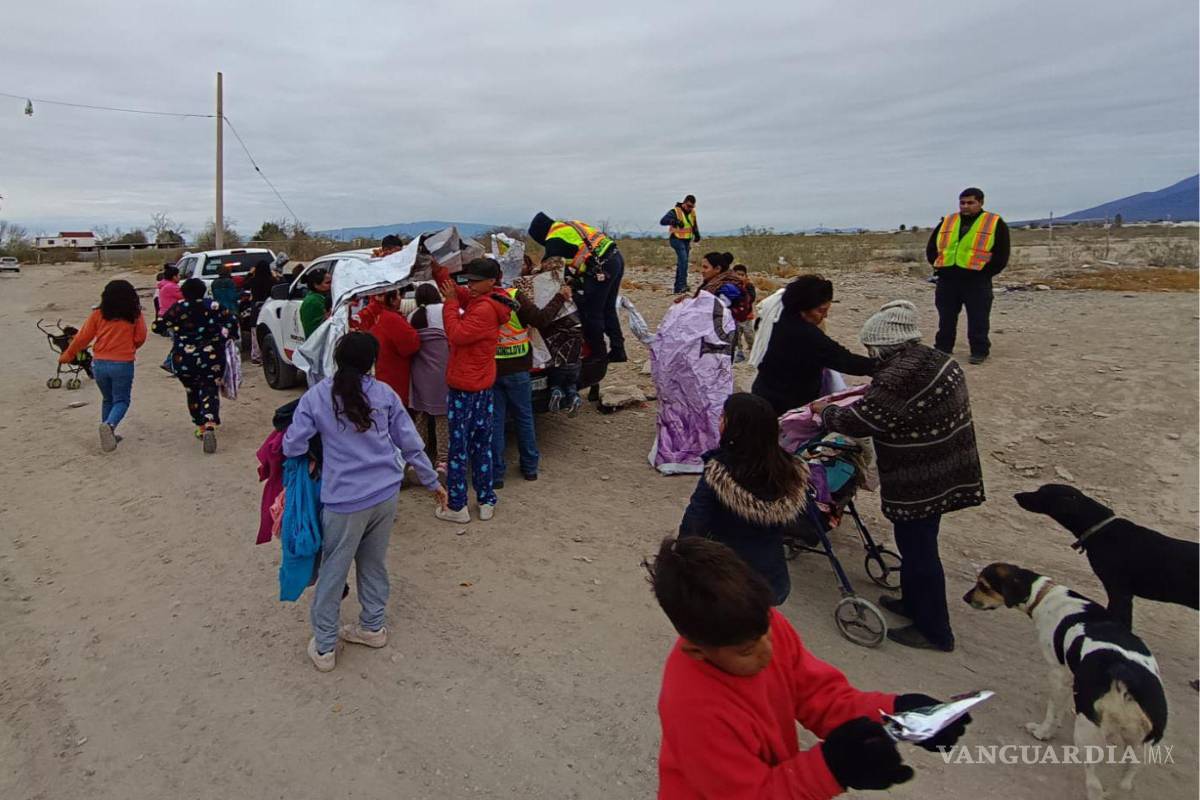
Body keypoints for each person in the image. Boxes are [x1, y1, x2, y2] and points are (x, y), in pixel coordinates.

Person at [646, 535, 971, 799]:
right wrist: (832, 769)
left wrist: (895, 713)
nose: (766, 653)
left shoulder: (759, 625)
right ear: (697, 650)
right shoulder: (694, 709)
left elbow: (819, 695)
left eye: (766, 633)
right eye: (746, 651)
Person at [815, 300, 985, 652]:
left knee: (919, 547)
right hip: (948, 462)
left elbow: (861, 421)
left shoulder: (900, 375)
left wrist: (825, 412)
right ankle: (913, 601)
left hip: (922, 473)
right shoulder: (932, 358)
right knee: (918, 540)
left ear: (883, 345)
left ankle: (934, 629)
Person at [282, 332, 448, 672]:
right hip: (386, 493)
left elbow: (292, 446)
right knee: (373, 563)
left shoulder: (316, 397)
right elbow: (411, 443)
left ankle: (325, 647)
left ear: (337, 359)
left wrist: (317, 450)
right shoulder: (384, 393)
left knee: (333, 570)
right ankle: (373, 627)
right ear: (372, 362)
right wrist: (433, 482)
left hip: (344, 501)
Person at [678, 393, 808, 604]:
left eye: (723, 417)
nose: (719, 421)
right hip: (772, 581)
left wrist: (681, 560)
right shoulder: (789, 470)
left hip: (728, 580)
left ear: (735, 429)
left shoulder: (720, 473)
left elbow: (694, 521)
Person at [435, 258, 516, 524]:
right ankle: (485, 499)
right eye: (467, 279)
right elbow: (457, 292)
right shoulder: (488, 301)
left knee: (459, 447)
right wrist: (438, 269)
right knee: (482, 444)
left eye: (474, 280)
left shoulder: (482, 310)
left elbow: (456, 334)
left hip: (464, 388)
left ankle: (457, 506)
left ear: (490, 281)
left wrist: (448, 304)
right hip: (482, 386)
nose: (468, 285)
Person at [751, 275, 876, 416]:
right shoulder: (804, 334)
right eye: (821, 310)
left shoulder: (775, 317)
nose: (825, 316)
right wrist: (885, 367)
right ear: (803, 308)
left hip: (763, 392)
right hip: (786, 405)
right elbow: (845, 360)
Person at [490, 271, 570, 486]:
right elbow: (541, 319)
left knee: (495, 422)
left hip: (492, 370)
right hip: (518, 369)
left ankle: (497, 474)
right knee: (524, 418)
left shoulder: (478, 300)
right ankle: (530, 468)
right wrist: (560, 297)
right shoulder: (514, 296)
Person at [58, 279, 148, 452]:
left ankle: (108, 433)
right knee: (121, 400)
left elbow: (82, 338)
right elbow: (140, 337)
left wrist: (68, 354)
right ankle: (109, 425)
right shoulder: (134, 315)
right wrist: (130, 347)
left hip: (99, 363)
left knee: (108, 399)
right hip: (122, 363)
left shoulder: (98, 314)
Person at [527, 212, 627, 366]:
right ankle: (618, 348)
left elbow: (549, 270)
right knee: (607, 307)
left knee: (591, 311)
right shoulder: (568, 226)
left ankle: (598, 355)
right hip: (615, 259)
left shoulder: (554, 239)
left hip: (600, 268)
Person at [926, 187, 1010, 365]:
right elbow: (933, 247)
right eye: (962, 202)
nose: (965, 206)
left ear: (980, 203)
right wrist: (937, 266)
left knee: (978, 318)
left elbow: (1002, 254)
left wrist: (986, 273)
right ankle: (943, 348)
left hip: (977, 280)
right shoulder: (948, 221)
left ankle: (979, 351)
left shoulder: (994, 222)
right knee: (946, 317)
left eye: (970, 202)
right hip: (948, 279)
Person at [162, 278, 238, 453]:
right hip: (211, 357)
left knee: (192, 391)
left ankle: (200, 426)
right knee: (210, 389)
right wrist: (224, 336)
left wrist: (178, 330)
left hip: (185, 358)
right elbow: (232, 322)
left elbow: (159, 326)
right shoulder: (213, 305)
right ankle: (210, 423)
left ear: (184, 292)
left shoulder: (178, 307)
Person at [515, 258, 584, 416]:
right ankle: (572, 395)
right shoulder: (565, 283)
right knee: (572, 363)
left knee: (557, 363)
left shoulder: (527, 284)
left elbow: (539, 317)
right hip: (574, 325)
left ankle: (556, 390)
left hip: (553, 327)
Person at [408, 284, 451, 478]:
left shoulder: (412, 316)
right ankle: (443, 462)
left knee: (421, 418)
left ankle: (417, 462)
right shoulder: (445, 311)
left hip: (419, 374)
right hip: (443, 373)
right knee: (442, 419)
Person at [361, 290, 420, 407]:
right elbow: (412, 345)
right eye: (398, 295)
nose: (400, 299)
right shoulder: (391, 318)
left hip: (378, 374)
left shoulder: (370, 315)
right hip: (394, 376)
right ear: (391, 300)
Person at [660, 194, 700, 294]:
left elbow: (694, 224)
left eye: (692, 207)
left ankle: (678, 288)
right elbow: (663, 221)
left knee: (682, 263)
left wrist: (697, 234)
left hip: (686, 240)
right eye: (688, 206)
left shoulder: (692, 212)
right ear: (684, 203)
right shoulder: (675, 211)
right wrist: (675, 221)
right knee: (684, 261)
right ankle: (682, 286)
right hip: (676, 239)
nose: (690, 208)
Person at [247, 259, 278, 363]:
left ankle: (256, 356)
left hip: (256, 308)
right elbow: (282, 284)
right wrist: (276, 275)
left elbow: (243, 284)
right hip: (269, 308)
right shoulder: (272, 280)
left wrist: (250, 273)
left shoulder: (253, 280)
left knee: (255, 333)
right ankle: (270, 354)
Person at [156, 265, 183, 372]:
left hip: (166, 315)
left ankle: (170, 363)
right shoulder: (172, 287)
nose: (179, 277)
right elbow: (184, 296)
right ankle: (170, 364)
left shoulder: (164, 286)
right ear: (174, 276)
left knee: (177, 341)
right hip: (172, 317)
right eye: (178, 275)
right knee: (178, 341)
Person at [730, 263, 756, 363]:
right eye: (737, 274)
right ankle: (739, 353)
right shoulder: (731, 286)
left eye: (742, 275)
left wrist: (742, 298)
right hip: (735, 317)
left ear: (746, 276)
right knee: (736, 337)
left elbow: (751, 298)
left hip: (747, 317)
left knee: (749, 335)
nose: (740, 277)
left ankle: (754, 350)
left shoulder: (749, 286)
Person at [300, 268, 332, 339]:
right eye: (327, 283)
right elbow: (313, 331)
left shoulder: (323, 297)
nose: (331, 284)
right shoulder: (312, 301)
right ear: (316, 285)